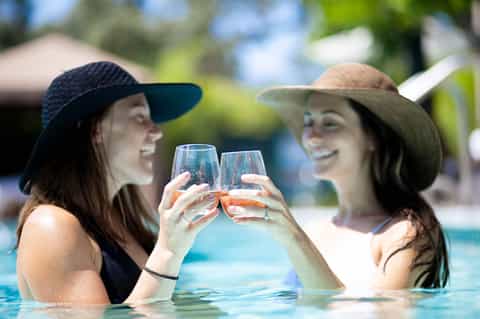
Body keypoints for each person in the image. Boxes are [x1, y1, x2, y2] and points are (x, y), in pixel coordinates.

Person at [226, 63, 449, 290]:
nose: (311, 137)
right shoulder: (314, 231)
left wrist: (293, 238)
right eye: (308, 122)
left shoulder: (404, 234)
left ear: (374, 137)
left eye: (330, 123)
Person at [15, 61, 219, 304]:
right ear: (95, 130)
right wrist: (168, 252)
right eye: (139, 117)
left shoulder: (124, 224)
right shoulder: (50, 227)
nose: (157, 132)